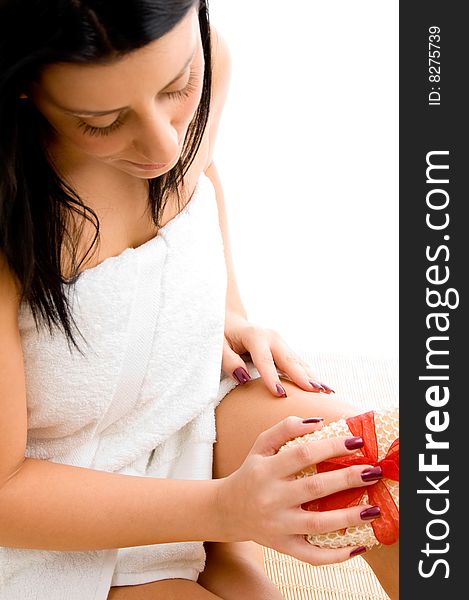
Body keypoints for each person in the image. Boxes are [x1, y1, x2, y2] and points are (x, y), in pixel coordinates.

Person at [0, 1, 398, 599]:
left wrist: (226, 311)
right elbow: (5, 492)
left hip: (185, 418)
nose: (162, 146)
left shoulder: (207, 59)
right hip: (51, 516)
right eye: (103, 121)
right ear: (25, 90)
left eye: (177, 85)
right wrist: (223, 509)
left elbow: (198, 175)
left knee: (402, 480)